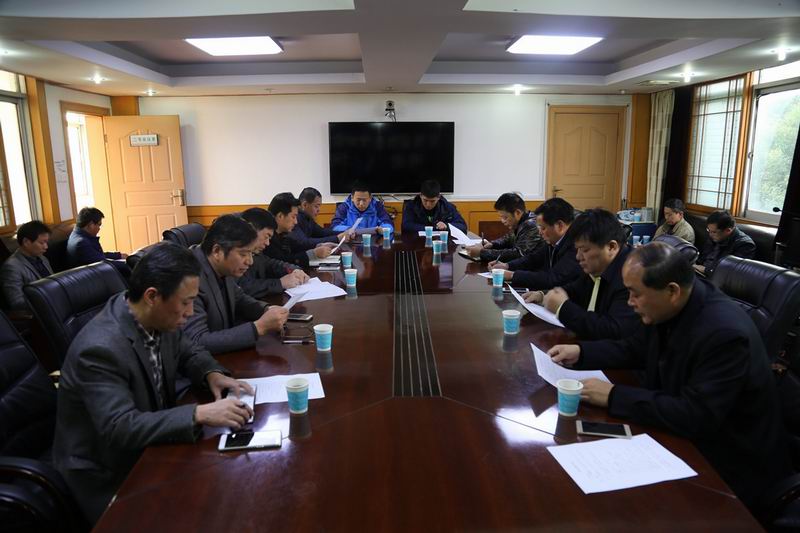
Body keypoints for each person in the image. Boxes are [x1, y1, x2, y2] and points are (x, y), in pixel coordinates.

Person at [547, 242, 791, 510]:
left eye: (635, 294)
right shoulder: (669, 305)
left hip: (728, 464)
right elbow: (635, 348)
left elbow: (695, 414)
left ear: (672, 291)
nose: (629, 302)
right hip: (683, 433)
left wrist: (613, 396)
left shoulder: (725, 334)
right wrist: (581, 352)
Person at [54, 242, 256, 524]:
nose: (190, 312)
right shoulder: (99, 349)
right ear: (152, 296)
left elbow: (188, 350)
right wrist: (198, 413)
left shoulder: (155, 316)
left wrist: (211, 373)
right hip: (108, 471)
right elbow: (120, 427)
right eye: (185, 302)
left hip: (152, 444)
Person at [525, 208, 640, 340]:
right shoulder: (599, 265)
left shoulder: (632, 275)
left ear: (611, 247)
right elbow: (576, 289)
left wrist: (563, 308)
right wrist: (543, 295)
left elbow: (612, 329)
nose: (578, 257)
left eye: (584, 250)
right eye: (577, 249)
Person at [183, 214, 288, 354]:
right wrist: (258, 328)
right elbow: (197, 341)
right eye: (243, 254)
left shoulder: (221, 266)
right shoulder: (188, 276)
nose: (250, 262)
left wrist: (266, 309)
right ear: (217, 251)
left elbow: (239, 298)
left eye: (251, 254)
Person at [490, 198, 582, 289]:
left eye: (543, 228)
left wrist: (512, 275)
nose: (540, 232)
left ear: (560, 226)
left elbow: (553, 278)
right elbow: (534, 258)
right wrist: (507, 265)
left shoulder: (577, 245)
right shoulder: (554, 240)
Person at [238, 207, 309, 299]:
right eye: (266, 236)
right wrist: (280, 283)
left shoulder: (256, 253)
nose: (267, 243)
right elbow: (244, 287)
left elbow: (272, 264)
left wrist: (294, 270)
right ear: (252, 230)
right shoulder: (234, 253)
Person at [466, 192, 543, 262]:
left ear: (517, 213)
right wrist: (492, 244)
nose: (503, 221)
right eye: (501, 217)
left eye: (505, 217)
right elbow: (508, 239)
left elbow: (518, 254)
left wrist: (482, 253)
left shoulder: (531, 225)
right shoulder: (521, 221)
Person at [265, 193, 335, 267]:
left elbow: (297, 247)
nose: (296, 222)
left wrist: (318, 246)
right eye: (293, 217)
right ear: (280, 216)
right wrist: (313, 253)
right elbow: (283, 261)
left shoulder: (283, 234)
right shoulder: (267, 238)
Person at [0, 220, 53, 311]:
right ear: (26, 242)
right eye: (42, 243)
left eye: (46, 242)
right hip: (40, 311)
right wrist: (49, 300)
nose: (46, 247)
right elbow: (17, 303)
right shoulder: (11, 267)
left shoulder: (43, 258)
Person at [696, 210, 756, 276]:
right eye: (708, 230)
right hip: (700, 272)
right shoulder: (714, 235)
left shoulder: (745, 245)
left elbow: (732, 271)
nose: (710, 234)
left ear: (728, 230)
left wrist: (706, 270)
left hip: (717, 278)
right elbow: (703, 257)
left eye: (714, 232)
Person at [401, 179, 467, 234]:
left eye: (432, 201)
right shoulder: (411, 206)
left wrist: (446, 226)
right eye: (425, 200)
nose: (428, 204)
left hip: (441, 242)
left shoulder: (447, 207)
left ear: (438, 197)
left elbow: (462, 226)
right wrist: (433, 228)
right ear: (420, 195)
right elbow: (406, 226)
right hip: (417, 242)